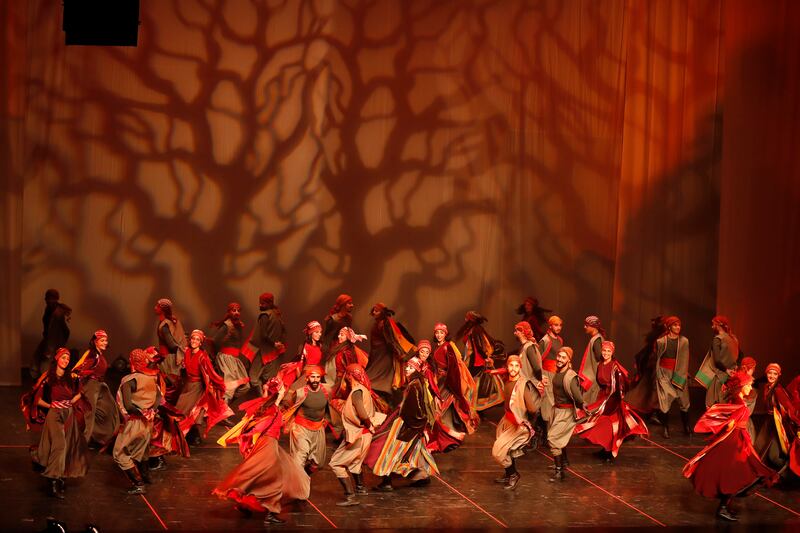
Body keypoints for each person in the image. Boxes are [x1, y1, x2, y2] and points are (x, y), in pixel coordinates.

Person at [214, 378, 310, 526]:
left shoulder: (265, 405)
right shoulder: (272, 410)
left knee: (263, 475)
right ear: (278, 392)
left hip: (266, 444)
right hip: (268, 446)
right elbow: (261, 424)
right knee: (274, 479)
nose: (285, 390)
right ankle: (271, 513)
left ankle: (243, 504)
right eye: (283, 389)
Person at [683, 371, 777, 522]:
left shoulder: (737, 400)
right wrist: (733, 426)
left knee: (736, 475)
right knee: (734, 475)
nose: (750, 387)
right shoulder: (738, 403)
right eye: (748, 385)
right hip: (733, 443)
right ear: (741, 386)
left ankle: (724, 507)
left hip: (739, 440)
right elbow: (729, 424)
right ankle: (723, 508)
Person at [367, 350, 439, 491]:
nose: (407, 369)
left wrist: (411, 425)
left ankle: (387, 481)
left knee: (387, 449)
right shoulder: (417, 383)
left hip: (407, 424)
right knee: (411, 452)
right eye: (407, 366)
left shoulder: (415, 385)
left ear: (417, 370)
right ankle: (421, 476)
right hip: (412, 424)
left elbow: (415, 409)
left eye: (411, 367)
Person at [21, 347, 88, 499]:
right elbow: (37, 400)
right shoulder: (48, 377)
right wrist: (52, 405)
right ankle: (52, 480)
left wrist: (70, 402)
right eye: (63, 357)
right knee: (59, 445)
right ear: (57, 358)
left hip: (68, 414)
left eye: (68, 359)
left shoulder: (71, 376)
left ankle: (60, 477)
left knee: (68, 445)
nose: (66, 361)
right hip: (55, 415)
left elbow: (79, 393)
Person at [575, 341, 648, 462]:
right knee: (600, 423)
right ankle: (605, 449)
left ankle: (609, 452)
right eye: (604, 350)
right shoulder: (600, 365)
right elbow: (599, 381)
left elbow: (620, 386)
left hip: (613, 398)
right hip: (603, 396)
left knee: (609, 425)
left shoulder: (615, 367)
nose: (606, 353)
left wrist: (613, 401)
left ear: (612, 352)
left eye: (608, 351)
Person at [329, 364, 387, 506]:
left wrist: (369, 425)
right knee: (355, 463)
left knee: (336, 463)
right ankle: (360, 488)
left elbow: (361, 413)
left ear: (349, 376)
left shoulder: (356, 392)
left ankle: (350, 496)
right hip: (364, 435)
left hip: (358, 434)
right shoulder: (364, 390)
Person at [114, 348, 163, 494]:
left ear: (132, 361)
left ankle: (139, 483)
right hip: (148, 423)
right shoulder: (151, 378)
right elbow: (159, 397)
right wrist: (150, 411)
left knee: (119, 453)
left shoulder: (129, 380)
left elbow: (128, 406)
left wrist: (141, 413)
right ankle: (145, 475)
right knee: (141, 450)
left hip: (135, 421)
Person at [491, 355, 542, 490]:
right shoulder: (507, 381)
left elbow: (532, 408)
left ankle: (514, 474)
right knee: (507, 450)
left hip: (517, 424)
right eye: (511, 365)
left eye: (516, 366)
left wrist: (529, 421)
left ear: (520, 368)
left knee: (498, 451)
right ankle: (508, 474)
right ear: (507, 367)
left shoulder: (522, 385)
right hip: (507, 420)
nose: (513, 368)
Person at [175, 330, 233, 445]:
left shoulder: (202, 356)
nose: (194, 341)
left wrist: (219, 384)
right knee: (183, 411)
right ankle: (192, 436)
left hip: (197, 387)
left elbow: (210, 372)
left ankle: (191, 437)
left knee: (189, 411)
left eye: (197, 340)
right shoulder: (187, 352)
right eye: (193, 339)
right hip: (188, 385)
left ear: (201, 342)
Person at [428, 323, 477, 453]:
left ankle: (449, 439)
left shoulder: (447, 347)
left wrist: (452, 384)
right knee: (441, 410)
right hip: (439, 380)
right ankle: (446, 437)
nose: (439, 335)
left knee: (439, 410)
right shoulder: (438, 347)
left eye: (441, 333)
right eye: (437, 333)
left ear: (446, 334)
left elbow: (453, 368)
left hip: (446, 382)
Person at [542, 347, 586, 482]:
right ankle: (564, 461)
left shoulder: (570, 376)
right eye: (559, 356)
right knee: (560, 438)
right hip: (557, 410)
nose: (560, 359)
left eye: (563, 357)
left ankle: (559, 472)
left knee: (553, 439)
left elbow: (578, 397)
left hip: (565, 412)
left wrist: (581, 407)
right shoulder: (559, 372)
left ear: (569, 360)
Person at [71, 329, 121, 447]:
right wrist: (80, 375)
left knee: (109, 409)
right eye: (102, 340)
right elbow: (78, 368)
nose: (105, 342)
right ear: (95, 342)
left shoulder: (98, 354)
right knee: (89, 414)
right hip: (92, 386)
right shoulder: (91, 354)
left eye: (106, 340)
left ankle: (99, 436)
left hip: (100, 386)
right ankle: (84, 442)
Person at [283, 365, 331, 475]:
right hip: (301, 428)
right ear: (307, 378)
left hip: (318, 429)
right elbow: (289, 406)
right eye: (312, 377)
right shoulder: (300, 393)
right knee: (300, 456)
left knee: (317, 463)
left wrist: (327, 419)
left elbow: (330, 407)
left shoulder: (326, 390)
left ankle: (304, 476)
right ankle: (297, 483)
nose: (315, 380)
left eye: (318, 377)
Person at [456, 311, 505, 412]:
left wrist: (484, 357)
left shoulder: (476, 330)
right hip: (473, 360)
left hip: (477, 361)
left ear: (472, 320)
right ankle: (472, 406)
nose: (465, 320)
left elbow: (479, 346)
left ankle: (474, 407)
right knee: (473, 383)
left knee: (475, 383)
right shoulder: (472, 329)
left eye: (467, 318)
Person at [366, 303, 415, 396]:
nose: (374, 312)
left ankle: (382, 391)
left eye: (377, 311)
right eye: (374, 310)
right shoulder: (378, 322)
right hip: (376, 353)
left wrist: (399, 352)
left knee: (383, 375)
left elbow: (390, 340)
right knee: (374, 372)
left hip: (384, 354)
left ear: (382, 312)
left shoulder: (385, 323)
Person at [243, 293, 286, 390]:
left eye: (262, 303)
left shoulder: (265, 315)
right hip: (273, 352)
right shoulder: (276, 314)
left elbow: (263, 335)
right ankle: (264, 398)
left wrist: (274, 343)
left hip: (264, 352)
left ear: (269, 303)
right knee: (268, 379)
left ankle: (262, 397)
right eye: (260, 303)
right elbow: (283, 332)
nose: (260, 305)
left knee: (254, 379)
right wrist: (278, 343)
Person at [695, 315, 740, 408]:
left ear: (718, 325)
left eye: (713, 324)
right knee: (726, 403)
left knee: (712, 403)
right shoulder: (733, 339)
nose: (712, 327)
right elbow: (739, 356)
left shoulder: (717, 339)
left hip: (719, 375)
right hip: (731, 377)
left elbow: (717, 360)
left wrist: (726, 369)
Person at [211, 302, 251, 403]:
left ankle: (224, 405)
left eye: (238, 311)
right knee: (230, 387)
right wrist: (217, 357)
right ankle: (222, 411)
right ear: (229, 312)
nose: (237, 313)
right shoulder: (226, 325)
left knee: (245, 386)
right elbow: (215, 341)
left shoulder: (238, 325)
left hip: (234, 359)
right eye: (234, 311)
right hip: (226, 358)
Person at [31, 289, 71, 377]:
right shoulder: (49, 309)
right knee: (37, 358)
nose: (48, 300)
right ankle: (42, 380)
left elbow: (62, 331)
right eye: (47, 298)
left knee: (45, 363)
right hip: (48, 340)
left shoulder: (57, 314)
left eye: (51, 298)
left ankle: (45, 381)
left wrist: (50, 349)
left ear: (56, 299)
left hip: (53, 343)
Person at [154, 298, 186, 405]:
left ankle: (170, 409)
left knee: (169, 385)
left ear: (162, 309)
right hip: (165, 357)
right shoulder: (164, 322)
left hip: (168, 360)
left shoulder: (165, 326)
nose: (155, 308)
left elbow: (172, 345)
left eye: (157, 306)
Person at [577, 316, 606, 405]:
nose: (584, 327)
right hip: (592, 376)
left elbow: (599, 358)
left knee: (589, 403)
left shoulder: (596, 340)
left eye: (587, 325)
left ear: (593, 326)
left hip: (592, 378)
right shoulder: (596, 338)